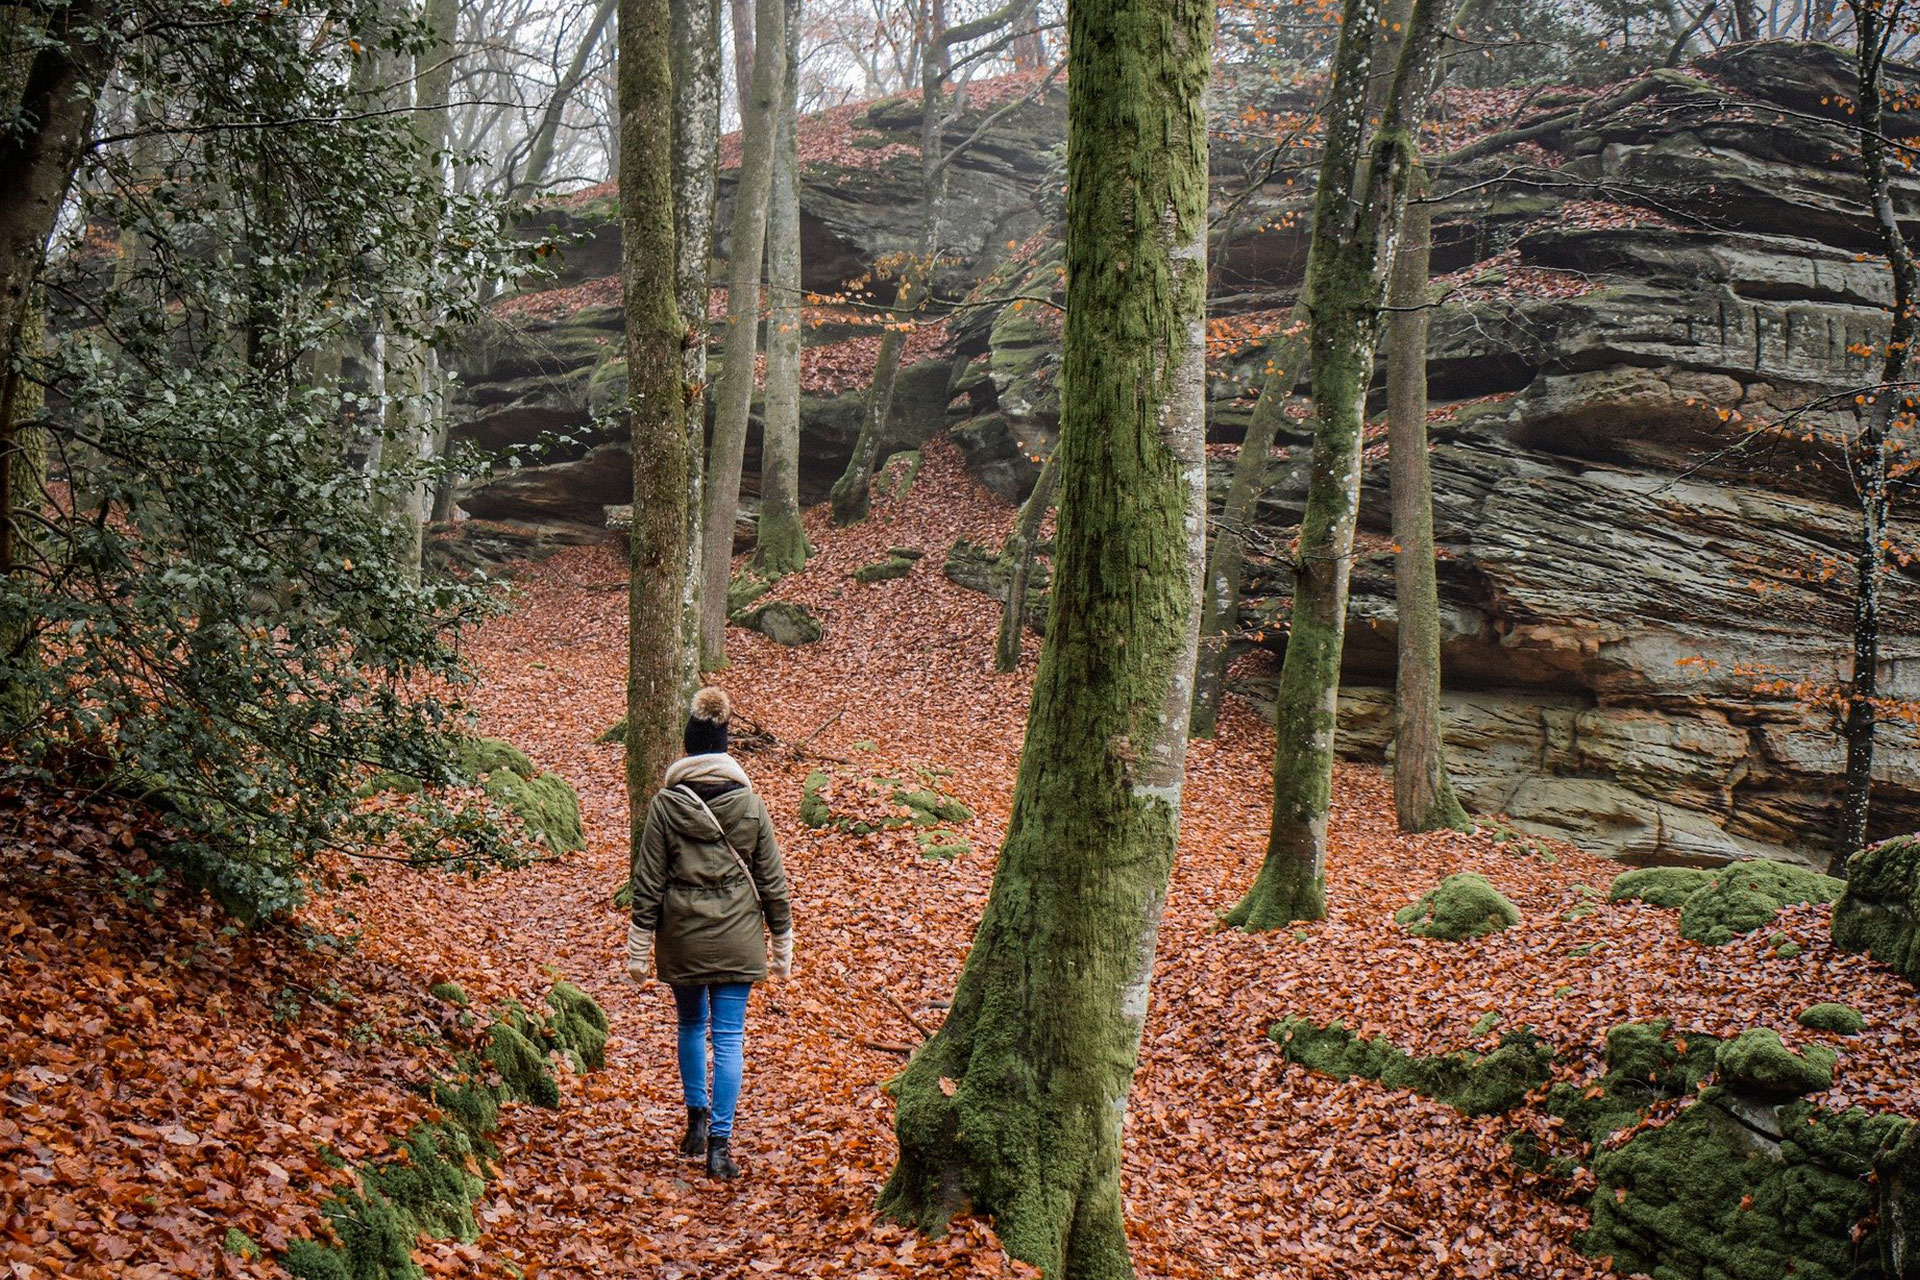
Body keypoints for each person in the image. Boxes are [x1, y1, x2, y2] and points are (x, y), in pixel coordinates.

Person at [626, 687, 793, 1181]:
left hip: (683, 936)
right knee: (729, 1037)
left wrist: (639, 948)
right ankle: (721, 1147)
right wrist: (781, 944)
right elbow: (772, 882)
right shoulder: (751, 806)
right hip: (739, 937)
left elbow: (648, 881)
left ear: (689, 746)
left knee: (691, 1026)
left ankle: (695, 1125)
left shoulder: (664, 806)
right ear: (724, 747)